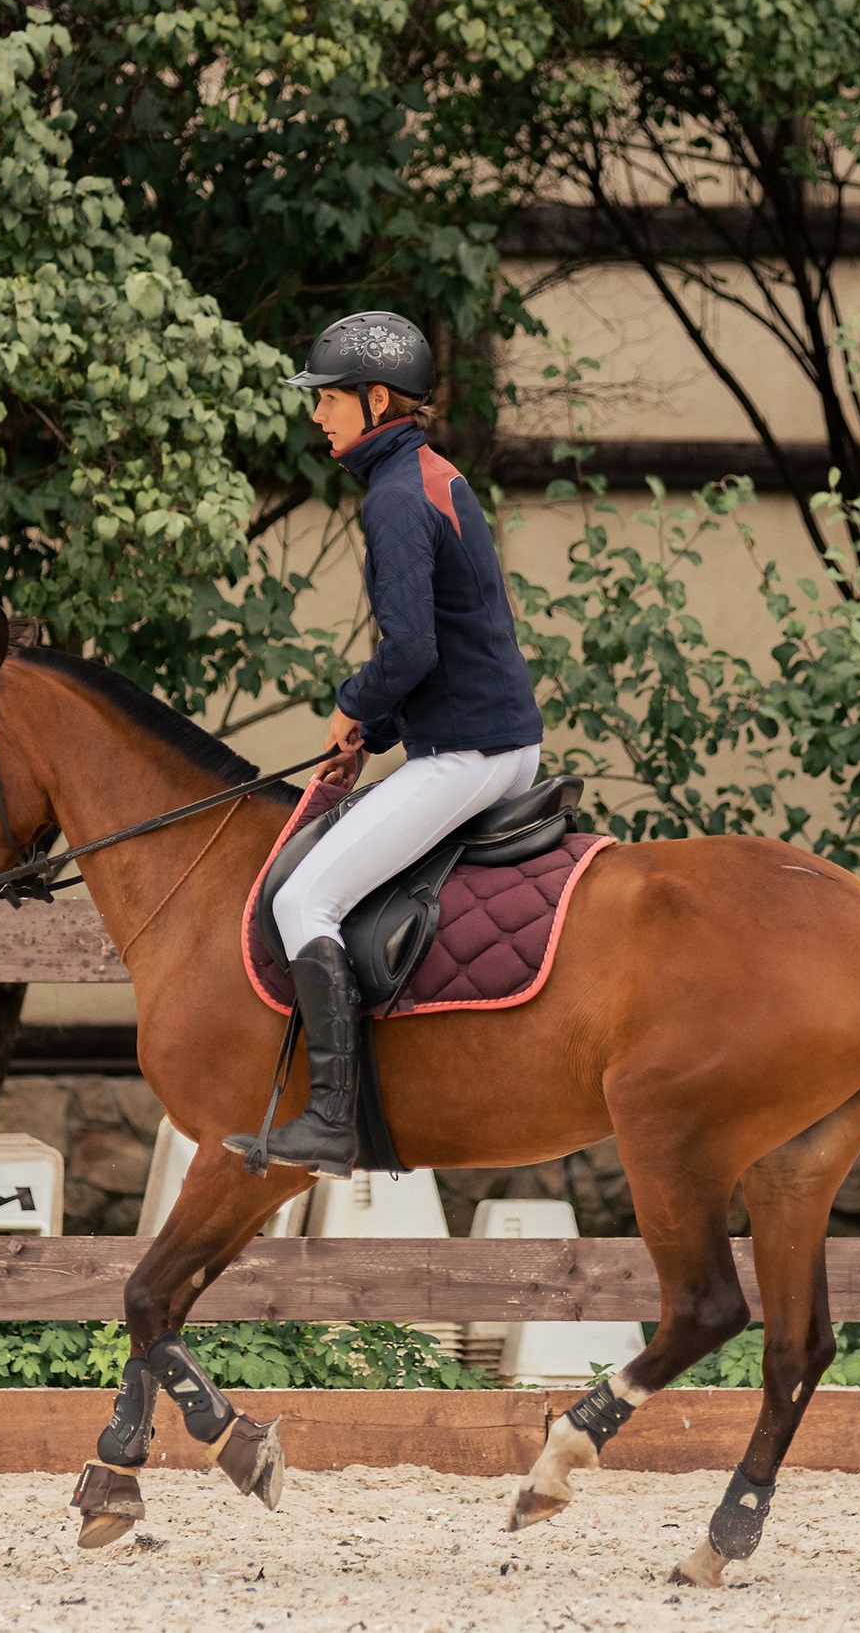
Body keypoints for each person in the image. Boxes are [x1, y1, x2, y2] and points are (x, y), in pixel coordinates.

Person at [223, 311, 545, 1178]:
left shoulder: (398, 499)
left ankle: (329, 1120)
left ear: (374, 400)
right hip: (492, 740)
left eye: (327, 400)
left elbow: (410, 652)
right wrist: (376, 731)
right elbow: (458, 641)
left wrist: (351, 707)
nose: (316, 415)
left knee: (304, 902)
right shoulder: (428, 475)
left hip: (467, 759)